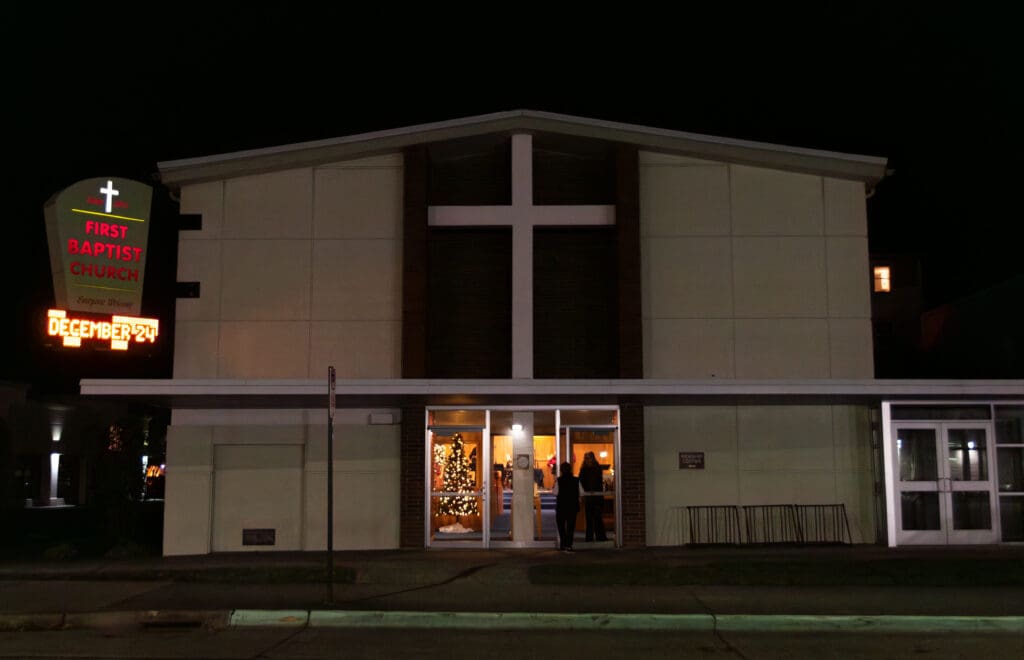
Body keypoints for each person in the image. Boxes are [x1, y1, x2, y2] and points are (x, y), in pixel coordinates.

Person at [578, 451, 607, 542]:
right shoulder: (590, 469)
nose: (587, 460)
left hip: (596, 496)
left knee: (597, 517)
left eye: (588, 458)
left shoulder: (594, 469)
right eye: (586, 458)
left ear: (592, 459)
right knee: (590, 518)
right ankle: (592, 537)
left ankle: (598, 537)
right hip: (590, 496)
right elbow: (581, 482)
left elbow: (589, 481)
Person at [553, 461, 581, 552]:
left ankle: (563, 544)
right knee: (570, 527)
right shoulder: (576, 480)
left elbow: (555, 492)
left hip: (562, 506)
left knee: (561, 526)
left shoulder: (559, 480)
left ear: (561, 470)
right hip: (573, 506)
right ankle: (569, 545)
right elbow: (582, 492)